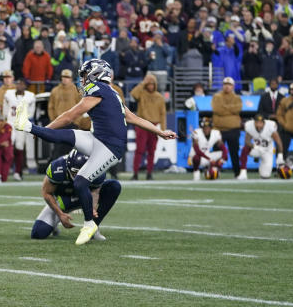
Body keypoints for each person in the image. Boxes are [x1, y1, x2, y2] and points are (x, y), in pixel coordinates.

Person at [13, 58, 175, 245]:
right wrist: (160, 132)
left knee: (81, 180)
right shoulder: (112, 93)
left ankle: (90, 223)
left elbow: (69, 116)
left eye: (84, 75)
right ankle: (26, 125)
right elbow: (135, 118)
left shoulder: (99, 90)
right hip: (97, 139)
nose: (82, 80)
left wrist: (47, 129)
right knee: (68, 136)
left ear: (96, 73)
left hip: (109, 148)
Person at [31, 150, 121, 241]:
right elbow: (46, 192)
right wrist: (60, 214)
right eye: (76, 172)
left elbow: (95, 192)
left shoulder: (97, 169)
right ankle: (54, 224)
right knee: (38, 233)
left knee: (113, 186)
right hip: (64, 199)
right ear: (68, 167)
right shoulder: (57, 168)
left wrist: (92, 209)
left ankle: (93, 228)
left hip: (86, 197)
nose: (79, 176)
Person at [130, 73, 167, 180]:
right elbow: (133, 94)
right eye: (149, 84)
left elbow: (163, 113)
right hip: (142, 124)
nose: (150, 86)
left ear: (155, 85)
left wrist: (163, 129)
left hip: (154, 126)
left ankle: (149, 173)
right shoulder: (141, 93)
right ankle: (135, 173)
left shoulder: (160, 97)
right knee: (139, 150)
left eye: (152, 84)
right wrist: (143, 83)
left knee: (151, 150)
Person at [46, 69, 88, 160]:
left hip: (72, 124)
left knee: (70, 149)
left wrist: (77, 121)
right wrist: (54, 121)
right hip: (59, 123)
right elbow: (51, 107)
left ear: (71, 78)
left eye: (67, 77)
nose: (65, 79)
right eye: (63, 77)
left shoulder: (77, 90)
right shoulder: (55, 90)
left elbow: (82, 107)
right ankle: (54, 168)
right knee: (58, 148)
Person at [3, 79, 36, 180]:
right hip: (10, 123)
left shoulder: (30, 96)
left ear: (25, 86)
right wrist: (6, 120)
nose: (19, 85)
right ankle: (5, 169)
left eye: (22, 84)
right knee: (7, 146)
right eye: (18, 83)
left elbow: (31, 113)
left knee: (19, 147)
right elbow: (5, 109)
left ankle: (18, 171)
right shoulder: (8, 94)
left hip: (21, 125)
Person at [211, 76, 243, 177]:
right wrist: (230, 110)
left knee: (234, 153)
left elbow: (237, 109)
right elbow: (217, 109)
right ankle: (215, 172)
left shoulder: (237, 98)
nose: (227, 87)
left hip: (233, 130)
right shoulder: (217, 97)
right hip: (219, 130)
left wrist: (224, 108)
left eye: (229, 85)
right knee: (217, 152)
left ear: (233, 86)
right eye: (225, 84)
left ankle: (237, 173)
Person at [238, 114, 283, 179]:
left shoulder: (270, 126)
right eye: (257, 122)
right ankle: (243, 172)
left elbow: (278, 142)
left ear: (264, 122)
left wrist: (280, 155)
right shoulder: (250, 126)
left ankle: (260, 162)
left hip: (267, 151)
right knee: (245, 149)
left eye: (260, 122)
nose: (258, 124)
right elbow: (247, 142)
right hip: (256, 149)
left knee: (265, 175)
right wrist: (255, 147)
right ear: (254, 122)